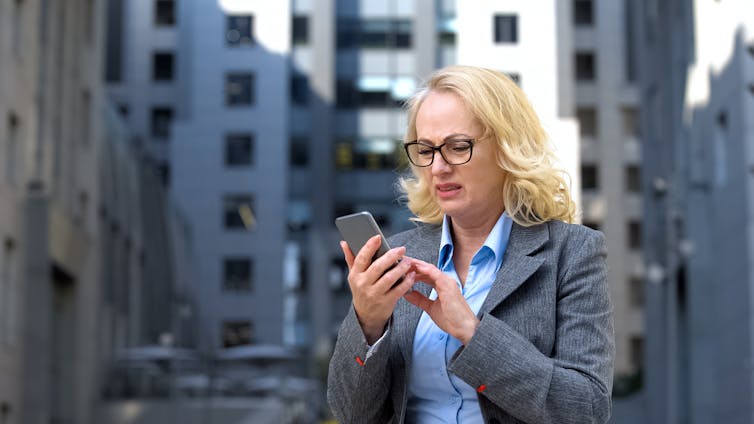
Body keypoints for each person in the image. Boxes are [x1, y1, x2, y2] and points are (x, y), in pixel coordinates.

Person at [327, 65, 614, 424]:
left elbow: (586, 410)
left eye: (457, 147)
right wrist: (367, 325)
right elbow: (349, 413)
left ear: (507, 146)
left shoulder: (572, 253)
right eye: (426, 149)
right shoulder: (400, 256)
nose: (438, 167)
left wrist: (472, 334)